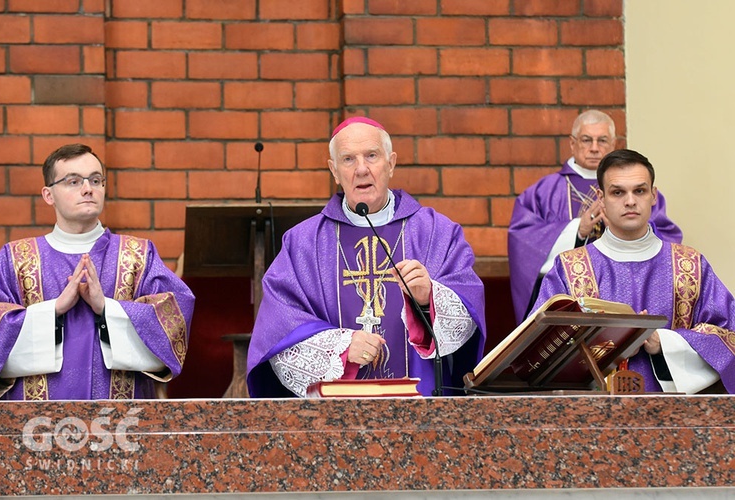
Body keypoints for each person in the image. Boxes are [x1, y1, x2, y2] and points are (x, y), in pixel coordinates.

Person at [247, 117, 486, 397]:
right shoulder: (302, 244)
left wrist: (429, 298)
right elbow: (279, 329)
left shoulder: (437, 233)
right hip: (334, 416)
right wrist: (342, 348)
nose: (361, 169)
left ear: (391, 163)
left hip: (422, 410)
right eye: (348, 159)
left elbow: (468, 315)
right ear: (334, 171)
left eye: (371, 156)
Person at [0, 144, 195, 400]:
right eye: (73, 181)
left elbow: (174, 319)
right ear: (48, 195)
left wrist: (106, 307)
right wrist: (53, 310)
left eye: (96, 180)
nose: (88, 188)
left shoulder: (138, 255)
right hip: (34, 427)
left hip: (122, 425)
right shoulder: (13, 261)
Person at [532, 149, 734, 393]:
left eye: (639, 190)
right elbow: (537, 351)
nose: (630, 201)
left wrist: (666, 343)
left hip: (676, 419)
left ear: (653, 196)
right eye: (618, 192)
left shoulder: (690, 266)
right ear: (601, 197)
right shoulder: (569, 268)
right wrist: (607, 345)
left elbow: (728, 337)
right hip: (591, 416)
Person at [508, 110, 682, 322]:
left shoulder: (638, 188)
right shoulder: (544, 191)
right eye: (586, 140)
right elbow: (522, 241)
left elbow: (667, 240)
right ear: (572, 144)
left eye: (602, 140)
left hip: (631, 291)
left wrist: (628, 229)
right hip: (572, 294)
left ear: (614, 144)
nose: (594, 148)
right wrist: (577, 230)